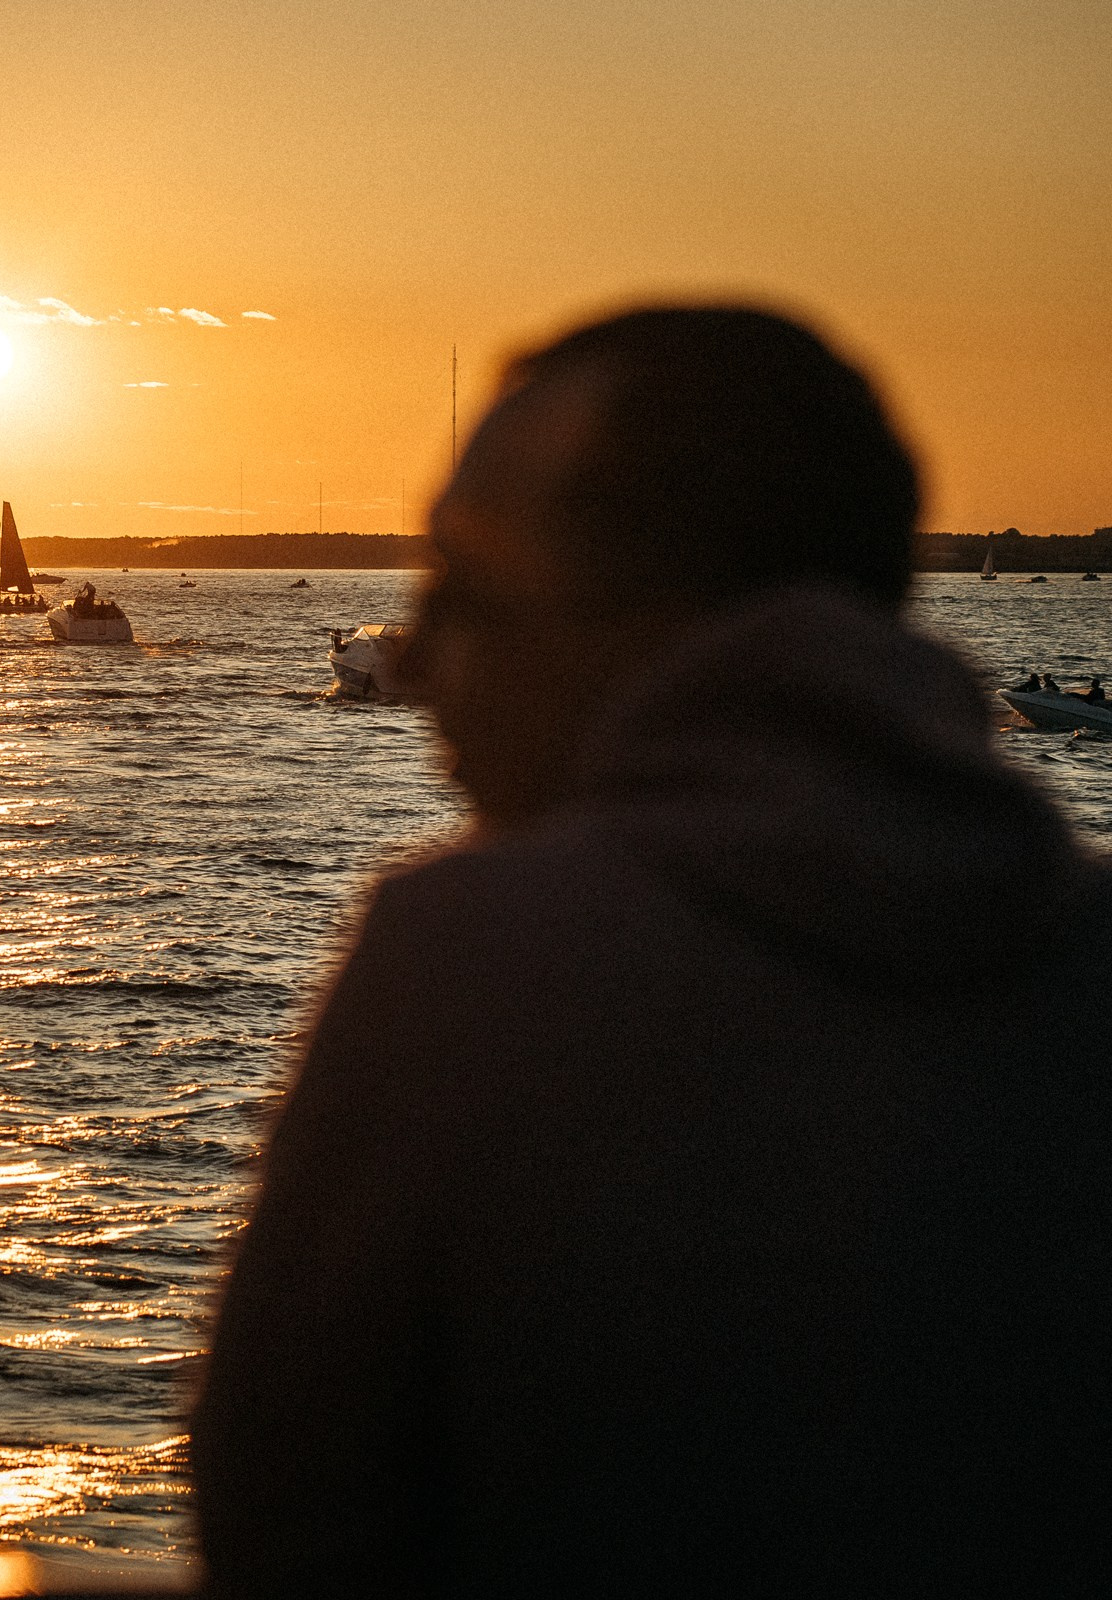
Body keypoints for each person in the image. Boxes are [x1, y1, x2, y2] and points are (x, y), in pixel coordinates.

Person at [194, 306, 1111, 1593]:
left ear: (646, 610)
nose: (430, 651)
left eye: (471, 581)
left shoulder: (467, 963)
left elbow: (285, 1508)